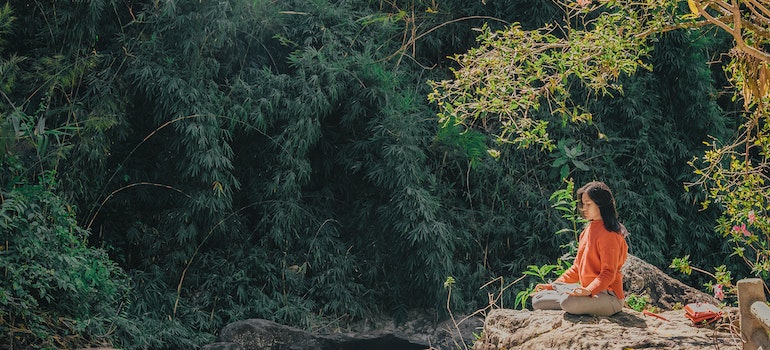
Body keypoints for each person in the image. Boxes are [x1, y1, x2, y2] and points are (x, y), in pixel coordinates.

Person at [531, 181, 629, 316]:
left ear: (601, 205)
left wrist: (589, 290)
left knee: (568, 302)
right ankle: (573, 299)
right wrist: (552, 285)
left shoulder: (610, 234)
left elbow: (608, 273)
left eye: (588, 204)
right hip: (586, 293)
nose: (584, 209)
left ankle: (576, 301)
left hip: (609, 297)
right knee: (538, 299)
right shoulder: (587, 231)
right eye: (583, 204)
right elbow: (576, 269)